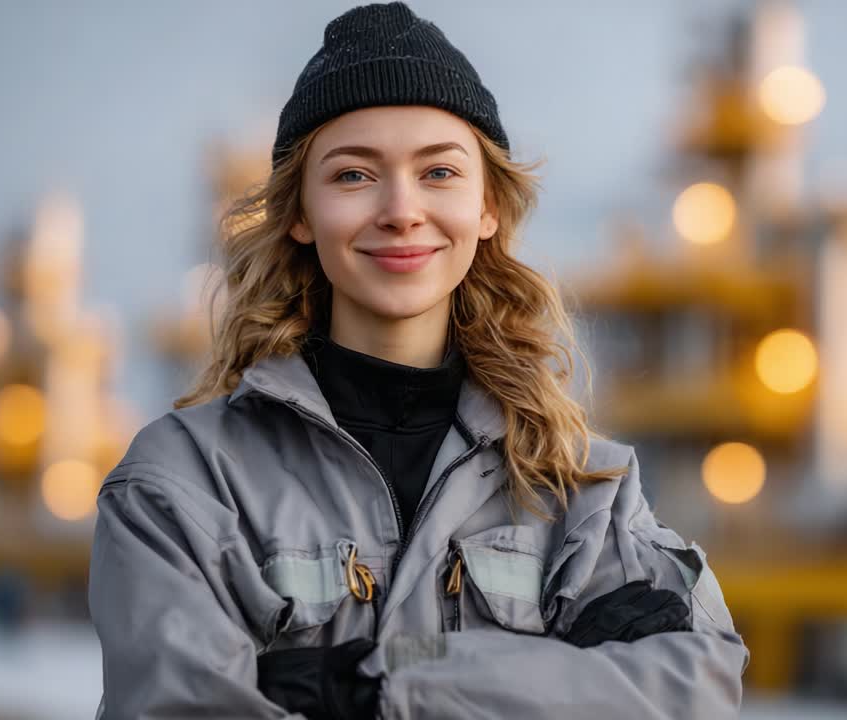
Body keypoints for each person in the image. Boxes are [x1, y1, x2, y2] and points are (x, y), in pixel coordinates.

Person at [88, 3, 747, 718]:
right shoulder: (185, 486)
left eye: (438, 172)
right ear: (301, 213)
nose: (402, 210)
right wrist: (544, 677)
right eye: (352, 176)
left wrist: (384, 682)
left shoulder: (581, 493)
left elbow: (696, 684)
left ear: (487, 206)